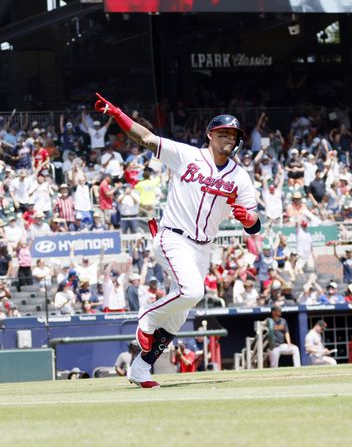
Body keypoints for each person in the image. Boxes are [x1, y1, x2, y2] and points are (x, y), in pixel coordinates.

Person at [95, 93, 259, 388]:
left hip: (203, 248)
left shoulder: (240, 177)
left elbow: (255, 224)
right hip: (173, 237)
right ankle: (145, 318)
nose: (230, 138)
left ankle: (140, 369)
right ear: (210, 134)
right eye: (224, 132)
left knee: (177, 318)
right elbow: (146, 138)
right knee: (192, 290)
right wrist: (117, 114)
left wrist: (248, 220)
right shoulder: (187, 155)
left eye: (234, 134)